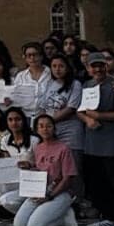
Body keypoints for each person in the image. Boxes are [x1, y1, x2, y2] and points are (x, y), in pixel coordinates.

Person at [76, 52, 114, 226]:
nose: (98, 69)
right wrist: (87, 119)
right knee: (99, 181)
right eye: (94, 66)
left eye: (101, 65)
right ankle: (108, 215)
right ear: (88, 68)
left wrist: (99, 116)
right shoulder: (88, 85)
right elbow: (80, 110)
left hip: (111, 140)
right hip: (92, 141)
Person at [13, 115, 80, 226]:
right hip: (39, 190)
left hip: (59, 193)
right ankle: (59, 214)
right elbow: (39, 170)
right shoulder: (38, 148)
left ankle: (63, 219)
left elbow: (68, 178)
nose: (45, 129)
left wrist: (49, 196)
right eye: (41, 126)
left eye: (49, 126)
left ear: (54, 128)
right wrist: (28, 166)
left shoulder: (63, 148)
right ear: (37, 130)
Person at [40, 56, 84, 189]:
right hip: (52, 131)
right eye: (54, 66)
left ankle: (78, 200)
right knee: (56, 168)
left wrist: (48, 122)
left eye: (61, 66)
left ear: (67, 68)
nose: (57, 69)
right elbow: (42, 106)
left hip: (70, 132)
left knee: (72, 169)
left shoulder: (75, 84)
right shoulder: (49, 83)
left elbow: (71, 108)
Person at [0, 107, 39, 214]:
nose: (14, 123)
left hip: (32, 181)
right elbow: (5, 161)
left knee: (8, 200)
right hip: (14, 180)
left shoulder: (34, 140)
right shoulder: (5, 140)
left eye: (17, 119)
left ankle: (32, 211)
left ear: (23, 121)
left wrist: (30, 165)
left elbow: (42, 164)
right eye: (10, 120)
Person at [12, 42, 52, 120]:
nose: (32, 58)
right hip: (25, 116)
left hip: (47, 116)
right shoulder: (20, 76)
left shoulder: (50, 74)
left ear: (41, 56)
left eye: (35, 55)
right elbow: (15, 97)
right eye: (28, 55)